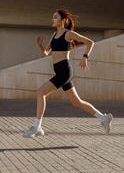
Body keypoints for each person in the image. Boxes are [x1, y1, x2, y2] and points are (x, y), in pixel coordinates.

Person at [24, 9, 113, 138]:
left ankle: (37, 126)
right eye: (52, 17)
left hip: (64, 72)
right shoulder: (54, 35)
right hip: (60, 71)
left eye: (55, 17)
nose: (52, 19)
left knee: (40, 92)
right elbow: (46, 53)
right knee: (76, 102)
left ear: (62, 20)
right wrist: (40, 45)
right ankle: (103, 118)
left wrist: (85, 57)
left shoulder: (68, 34)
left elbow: (90, 42)